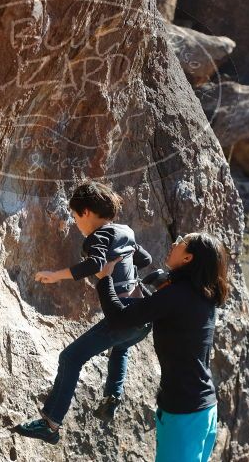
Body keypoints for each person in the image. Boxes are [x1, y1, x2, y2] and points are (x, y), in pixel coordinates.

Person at [13, 181, 153, 444]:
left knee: (70, 358)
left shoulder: (99, 236)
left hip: (123, 313)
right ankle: (112, 396)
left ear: (86, 212)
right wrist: (124, 260)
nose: (77, 224)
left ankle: (50, 424)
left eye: (76, 218)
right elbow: (145, 260)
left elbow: (95, 264)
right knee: (120, 348)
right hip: (142, 317)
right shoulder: (125, 230)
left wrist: (57, 275)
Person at [95, 232, 229, 462]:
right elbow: (165, 311)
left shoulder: (176, 295)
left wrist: (105, 278)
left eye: (181, 242)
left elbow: (119, 318)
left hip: (184, 413)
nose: (174, 244)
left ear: (188, 258)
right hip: (204, 408)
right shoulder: (203, 295)